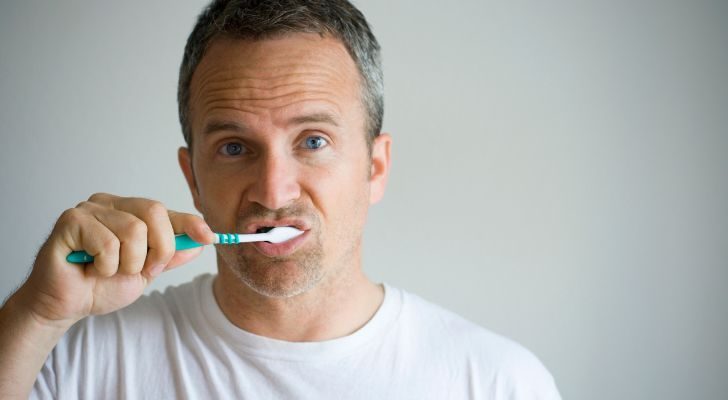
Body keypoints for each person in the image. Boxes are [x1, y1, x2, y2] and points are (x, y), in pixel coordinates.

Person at [0, 0, 561, 398]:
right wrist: (37, 314)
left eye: (313, 141)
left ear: (376, 167)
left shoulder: (498, 382)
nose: (273, 191)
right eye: (235, 146)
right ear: (192, 176)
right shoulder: (75, 360)